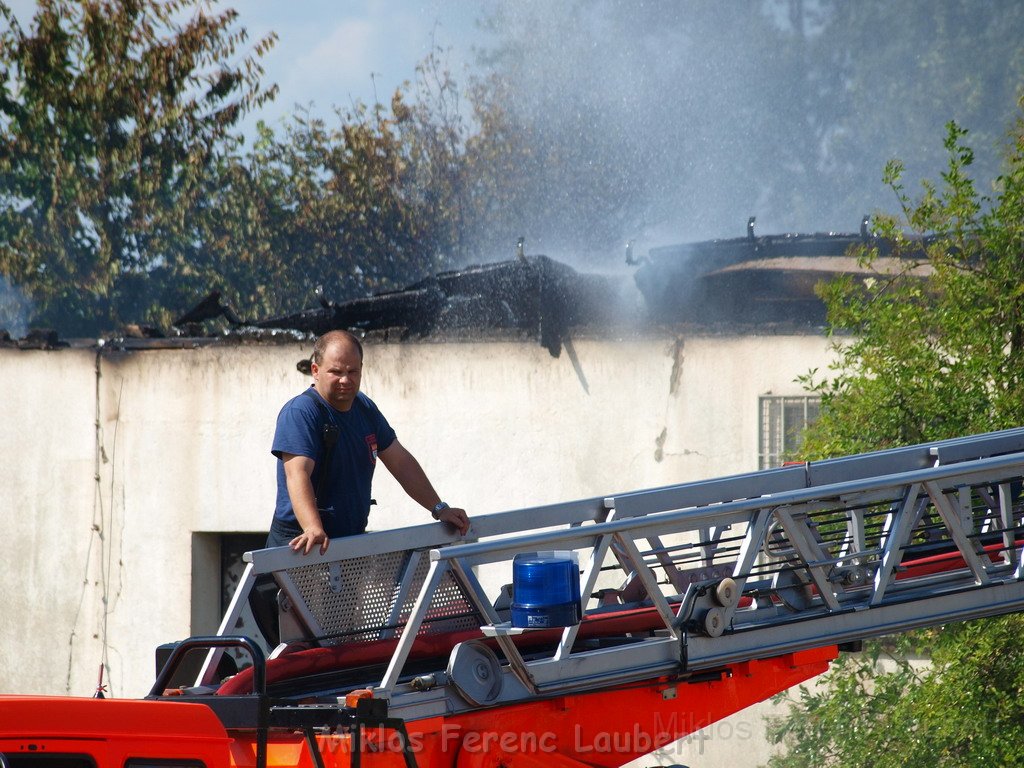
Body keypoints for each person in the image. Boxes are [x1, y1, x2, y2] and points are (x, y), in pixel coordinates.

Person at [268, 329, 470, 555]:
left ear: (362, 369)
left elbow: (400, 462)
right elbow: (297, 474)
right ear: (315, 370)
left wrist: (439, 508)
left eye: (352, 371)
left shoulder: (365, 408)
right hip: (302, 544)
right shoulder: (301, 413)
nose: (345, 380)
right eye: (335, 372)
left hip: (348, 541)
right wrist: (313, 527)